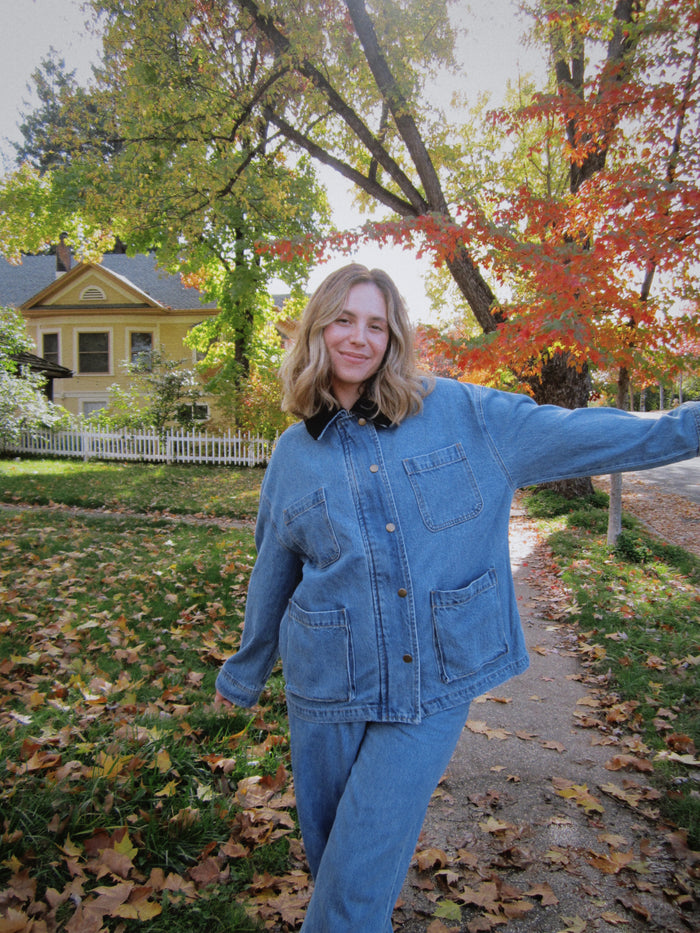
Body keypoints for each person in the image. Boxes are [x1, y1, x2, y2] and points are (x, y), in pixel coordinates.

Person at [215, 263, 700, 932]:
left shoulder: (469, 413)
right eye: (344, 320)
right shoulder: (292, 454)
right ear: (317, 331)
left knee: (352, 884)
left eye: (376, 324)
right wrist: (243, 673)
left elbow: (604, 431)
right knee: (336, 861)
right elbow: (275, 569)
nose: (359, 337)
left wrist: (689, 425)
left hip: (429, 682)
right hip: (328, 684)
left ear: (394, 337)